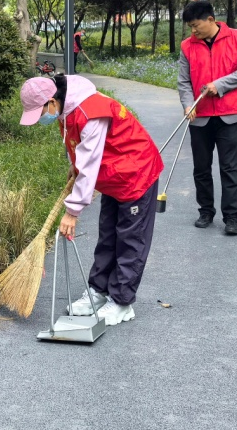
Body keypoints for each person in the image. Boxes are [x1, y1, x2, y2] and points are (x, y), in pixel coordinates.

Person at [19, 73, 163, 325]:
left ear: (51, 101)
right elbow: (82, 150)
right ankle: (98, 290)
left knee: (130, 240)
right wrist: (74, 166)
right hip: (112, 175)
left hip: (136, 173)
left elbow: (91, 162)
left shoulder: (90, 111)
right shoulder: (67, 108)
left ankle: (121, 302)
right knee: (108, 234)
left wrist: (72, 212)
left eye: (40, 113)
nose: (42, 119)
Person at [177, 0, 237, 237]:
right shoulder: (187, 46)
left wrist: (219, 85)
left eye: (195, 25)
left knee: (229, 168)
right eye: (189, 27)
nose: (193, 31)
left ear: (210, 20)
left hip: (229, 115)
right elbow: (184, 81)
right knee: (201, 167)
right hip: (199, 117)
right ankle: (206, 212)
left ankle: (231, 218)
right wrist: (188, 105)